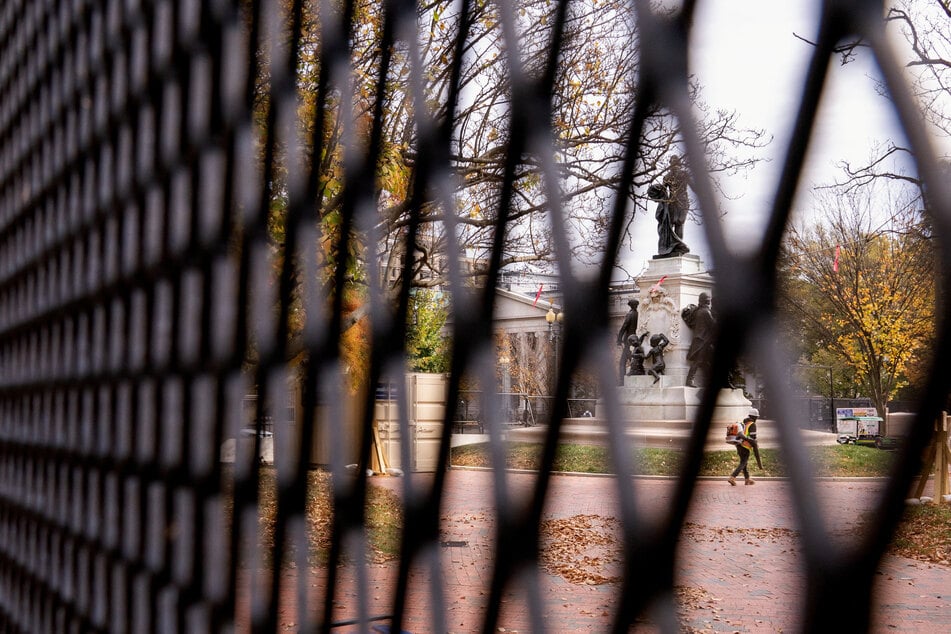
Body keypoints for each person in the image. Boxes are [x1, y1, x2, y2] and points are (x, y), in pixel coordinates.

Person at [684, 292, 715, 388]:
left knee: (705, 361)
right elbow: (713, 325)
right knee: (698, 361)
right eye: (708, 299)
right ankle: (689, 380)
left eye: (709, 298)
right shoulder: (706, 312)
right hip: (702, 340)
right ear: (704, 300)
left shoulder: (698, 311)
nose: (709, 300)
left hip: (702, 339)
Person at [728, 408, 762, 486]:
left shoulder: (745, 423)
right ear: (754, 417)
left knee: (744, 463)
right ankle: (732, 477)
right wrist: (755, 443)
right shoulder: (752, 424)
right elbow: (753, 437)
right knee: (743, 462)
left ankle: (747, 479)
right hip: (745, 446)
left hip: (739, 445)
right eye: (756, 417)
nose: (757, 418)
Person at [616, 298, 639, 384]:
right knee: (631, 358)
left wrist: (619, 339)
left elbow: (624, 326)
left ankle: (622, 381)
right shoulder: (637, 314)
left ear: (630, 305)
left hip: (628, 340)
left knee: (623, 362)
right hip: (634, 339)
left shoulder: (630, 314)